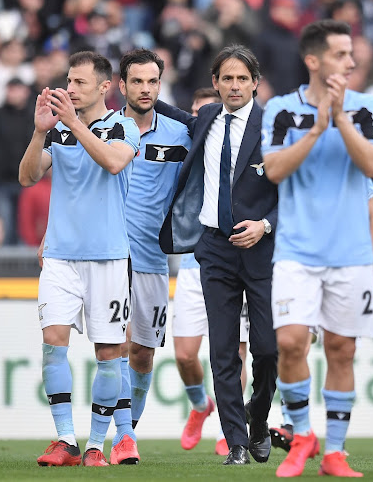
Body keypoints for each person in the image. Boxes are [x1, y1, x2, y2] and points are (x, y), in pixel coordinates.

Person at [261, 19, 373, 478]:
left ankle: (334, 452)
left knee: (341, 349)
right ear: (313, 61)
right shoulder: (279, 109)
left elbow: (372, 163)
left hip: (351, 253)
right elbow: (273, 170)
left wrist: (340, 118)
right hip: (296, 251)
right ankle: (302, 435)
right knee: (290, 342)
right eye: (340, 54)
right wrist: (316, 129)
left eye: (351, 54)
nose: (351, 62)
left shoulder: (368, 106)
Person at [158, 44, 278, 466]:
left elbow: (293, 191)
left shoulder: (273, 126)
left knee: (266, 349)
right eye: (226, 78)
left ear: (256, 83)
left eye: (242, 78)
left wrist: (265, 225)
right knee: (223, 350)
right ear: (215, 84)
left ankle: (258, 419)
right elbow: (169, 112)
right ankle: (237, 443)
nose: (234, 85)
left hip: (261, 250)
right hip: (213, 249)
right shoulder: (207, 118)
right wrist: (134, 90)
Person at [18, 50, 139, 467]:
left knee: (108, 353)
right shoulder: (56, 131)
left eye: (79, 83)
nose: (69, 88)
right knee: (53, 345)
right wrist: (38, 134)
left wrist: (74, 124)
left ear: (104, 87)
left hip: (107, 257)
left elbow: (112, 162)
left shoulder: (123, 125)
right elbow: (28, 176)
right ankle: (66, 440)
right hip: (59, 256)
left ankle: (96, 446)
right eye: (68, 81)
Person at [109, 48, 192, 464]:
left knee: (143, 353)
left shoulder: (180, 134)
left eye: (152, 81)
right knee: (118, 345)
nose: (145, 89)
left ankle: (127, 431)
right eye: (137, 81)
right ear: (122, 85)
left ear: (161, 85)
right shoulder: (103, 129)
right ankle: (125, 439)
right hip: (107, 256)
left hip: (153, 259)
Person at [269, 179, 373, 453]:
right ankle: (296, 428)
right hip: (300, 264)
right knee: (294, 345)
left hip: (344, 266)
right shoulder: (290, 148)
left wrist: (371, 270)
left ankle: (333, 444)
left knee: (340, 351)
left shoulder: (350, 157)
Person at [171, 87, 249, 456]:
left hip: (234, 260)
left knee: (235, 354)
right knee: (186, 356)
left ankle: (230, 430)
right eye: (196, 114)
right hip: (191, 264)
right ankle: (201, 405)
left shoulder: (242, 147)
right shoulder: (183, 147)